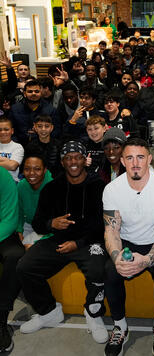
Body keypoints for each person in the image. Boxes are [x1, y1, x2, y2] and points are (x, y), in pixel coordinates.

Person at [17, 141, 109, 344]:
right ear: (62, 161)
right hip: (59, 241)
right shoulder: (53, 187)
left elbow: (102, 225)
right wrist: (51, 223)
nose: (73, 162)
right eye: (68, 158)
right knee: (25, 267)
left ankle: (93, 313)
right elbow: (39, 224)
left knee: (98, 269)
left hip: (89, 241)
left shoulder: (98, 186)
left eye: (77, 157)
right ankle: (48, 312)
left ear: (85, 160)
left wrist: (78, 243)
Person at [103, 138, 154, 356]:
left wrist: (146, 260)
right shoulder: (112, 189)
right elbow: (111, 230)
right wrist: (117, 258)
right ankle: (120, 326)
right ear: (123, 161)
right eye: (129, 157)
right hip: (126, 241)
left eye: (141, 157)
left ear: (150, 159)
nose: (135, 163)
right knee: (110, 270)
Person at [0, 167, 24, 353]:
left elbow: (9, 218)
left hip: (4, 233)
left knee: (15, 256)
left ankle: (1, 319)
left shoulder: (3, 177)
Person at [17, 152, 53, 249]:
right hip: (28, 225)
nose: (32, 173)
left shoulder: (54, 187)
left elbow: (58, 224)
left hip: (48, 230)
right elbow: (19, 212)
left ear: (45, 170)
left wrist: (37, 243)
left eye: (37, 169)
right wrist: (19, 230)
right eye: (27, 169)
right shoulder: (21, 185)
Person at [9, 79, 60, 147]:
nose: (33, 94)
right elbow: (11, 131)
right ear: (24, 93)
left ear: (41, 92)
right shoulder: (15, 109)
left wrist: (41, 134)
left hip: (44, 146)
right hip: (20, 146)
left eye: (36, 91)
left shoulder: (50, 110)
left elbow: (57, 131)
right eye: (30, 91)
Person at [0, 117, 24, 182]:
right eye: (0, 130)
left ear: (12, 131)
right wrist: (6, 160)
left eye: (6, 129)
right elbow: (9, 164)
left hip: (12, 181)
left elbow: (12, 166)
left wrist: (9, 163)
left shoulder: (17, 147)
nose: (3, 132)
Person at [84, 115, 107, 179]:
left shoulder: (110, 145)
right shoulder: (84, 145)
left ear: (104, 128)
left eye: (96, 128)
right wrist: (82, 163)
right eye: (90, 129)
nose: (93, 132)